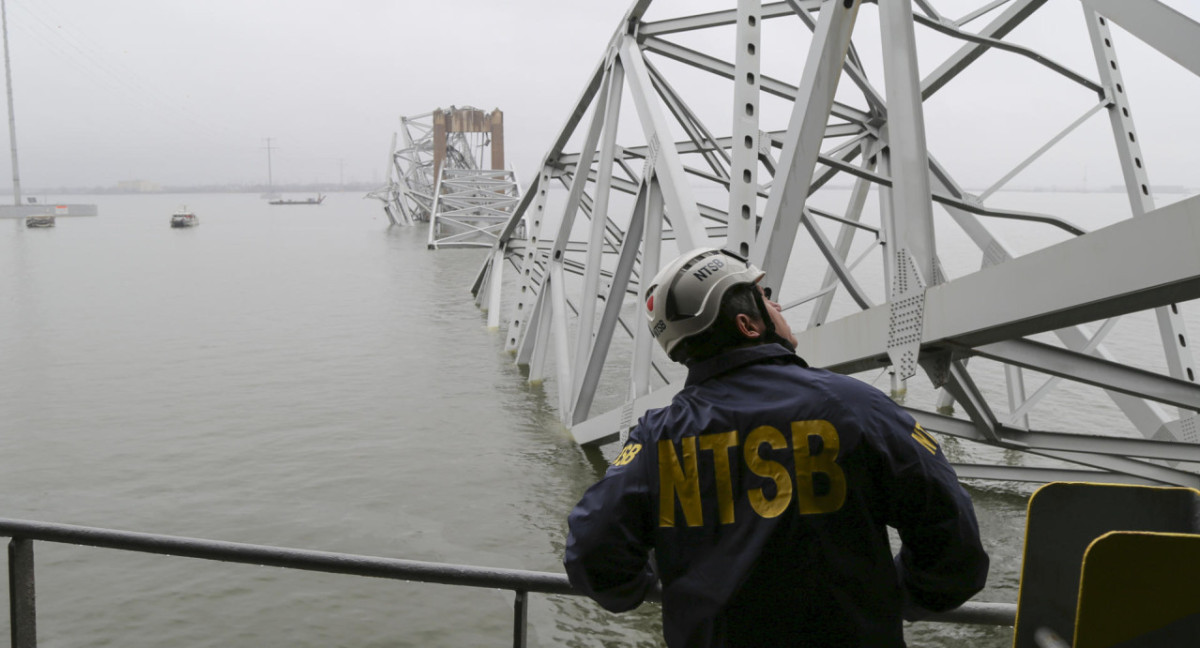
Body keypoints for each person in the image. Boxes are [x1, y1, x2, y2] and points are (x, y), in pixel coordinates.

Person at [564, 247, 989, 647]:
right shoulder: (855, 406)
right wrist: (904, 597)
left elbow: (592, 553)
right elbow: (952, 537)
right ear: (748, 325)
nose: (779, 306)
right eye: (765, 298)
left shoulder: (657, 436)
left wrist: (646, 589)